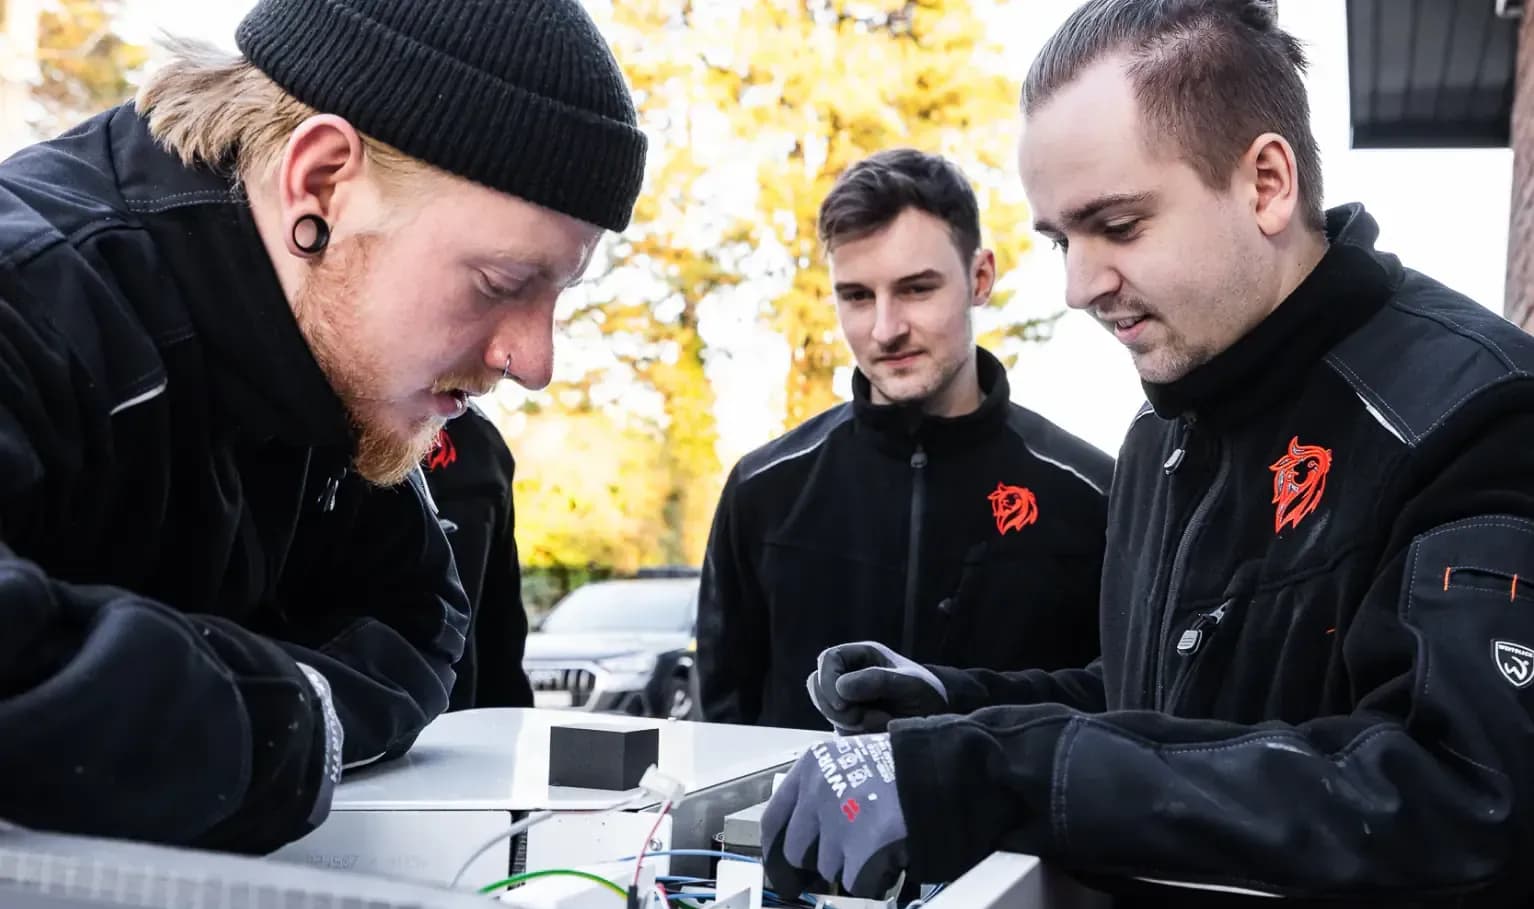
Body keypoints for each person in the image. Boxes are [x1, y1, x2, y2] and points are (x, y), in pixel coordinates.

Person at [760, 1, 1534, 904]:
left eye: (1118, 227)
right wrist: (955, 702)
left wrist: (990, 774)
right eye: (1060, 239)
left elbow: (1456, 801)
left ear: (1267, 184)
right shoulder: (1162, 432)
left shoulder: (1478, 414)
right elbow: (1165, 704)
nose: (1079, 285)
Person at [0, 0, 644, 853]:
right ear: (323, 180)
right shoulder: (32, 301)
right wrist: (283, 720)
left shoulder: (319, 364)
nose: (533, 359)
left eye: (557, 296)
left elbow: (416, 618)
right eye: (499, 281)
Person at [698, 148, 1112, 732]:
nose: (886, 329)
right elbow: (720, 727)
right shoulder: (763, 490)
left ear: (980, 277)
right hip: (806, 825)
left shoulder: (1093, 495)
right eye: (858, 296)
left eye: (916, 289)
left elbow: (1122, 710)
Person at [422, 407, 535, 712]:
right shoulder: (482, 442)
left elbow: (500, 623)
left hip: (450, 717)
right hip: (327, 713)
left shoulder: (479, 442)